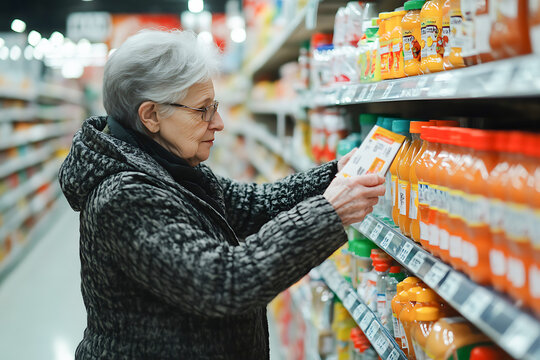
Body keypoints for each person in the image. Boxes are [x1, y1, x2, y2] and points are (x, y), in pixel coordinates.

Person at [59, 30, 385, 360]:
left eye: (214, 106)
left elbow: (253, 205)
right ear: (151, 115)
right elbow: (224, 282)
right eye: (203, 110)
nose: (219, 123)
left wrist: (333, 175)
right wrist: (328, 212)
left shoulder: (173, 167)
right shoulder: (124, 196)